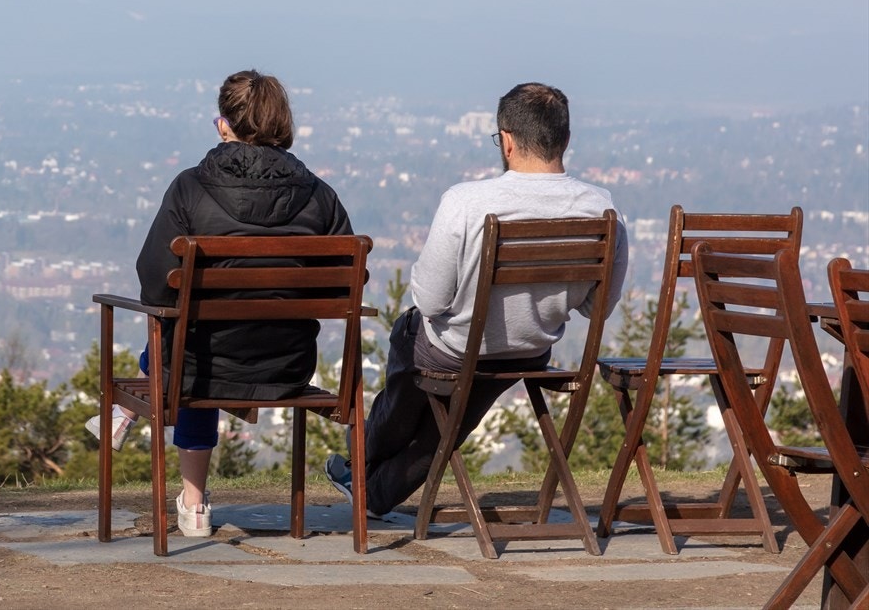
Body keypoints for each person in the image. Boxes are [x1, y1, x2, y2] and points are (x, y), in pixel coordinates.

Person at [324, 82, 628, 518]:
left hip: (456, 350)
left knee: (411, 337)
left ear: (506, 141)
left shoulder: (467, 202)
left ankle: (362, 458)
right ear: (565, 139)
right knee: (457, 409)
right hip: (529, 352)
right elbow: (597, 306)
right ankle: (372, 489)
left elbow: (429, 300)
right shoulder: (605, 210)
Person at [89, 69, 354, 538]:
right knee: (195, 343)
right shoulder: (321, 196)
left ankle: (193, 503)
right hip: (287, 366)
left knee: (189, 342)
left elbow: (154, 284)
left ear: (224, 125)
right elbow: (339, 292)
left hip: (201, 366)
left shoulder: (190, 189)